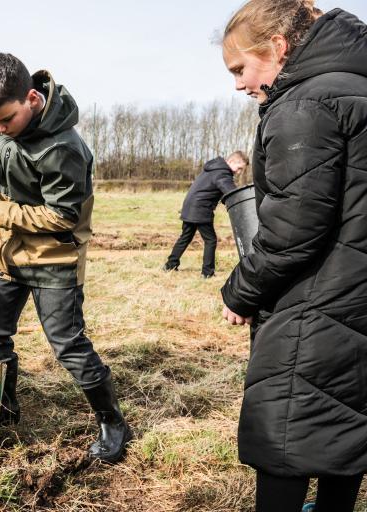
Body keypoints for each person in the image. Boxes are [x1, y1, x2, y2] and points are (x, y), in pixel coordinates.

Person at [220, 2, 367, 511]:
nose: (238, 85)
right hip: (357, 297)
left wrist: (240, 290)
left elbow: (293, 231)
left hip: (316, 304)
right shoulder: (356, 87)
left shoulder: (305, 104)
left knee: (287, 429)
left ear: (279, 48)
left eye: (240, 68)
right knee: (344, 427)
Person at [0, 53, 131, 464]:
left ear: (32, 100)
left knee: (68, 345)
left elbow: (64, 216)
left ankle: (113, 422)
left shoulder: (64, 148)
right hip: (7, 256)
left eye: (5, 120)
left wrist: (0, 212)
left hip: (53, 260)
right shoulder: (5, 125)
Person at [163, 152, 248, 277]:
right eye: (239, 168)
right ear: (231, 162)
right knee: (210, 240)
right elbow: (231, 193)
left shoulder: (214, 168)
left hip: (190, 206)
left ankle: (170, 265)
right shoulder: (223, 173)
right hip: (200, 208)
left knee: (185, 237)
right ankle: (207, 272)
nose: (239, 172)